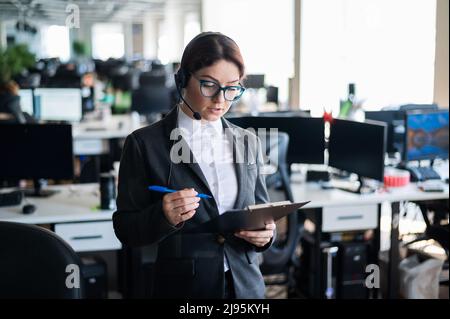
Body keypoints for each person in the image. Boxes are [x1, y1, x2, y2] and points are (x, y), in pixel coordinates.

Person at [113, 32, 276, 299]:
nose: (221, 99)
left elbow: (261, 212)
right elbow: (125, 229)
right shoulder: (145, 144)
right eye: (209, 85)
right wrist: (163, 216)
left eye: (232, 87)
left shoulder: (247, 141)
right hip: (185, 289)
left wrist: (266, 236)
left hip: (246, 288)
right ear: (182, 80)